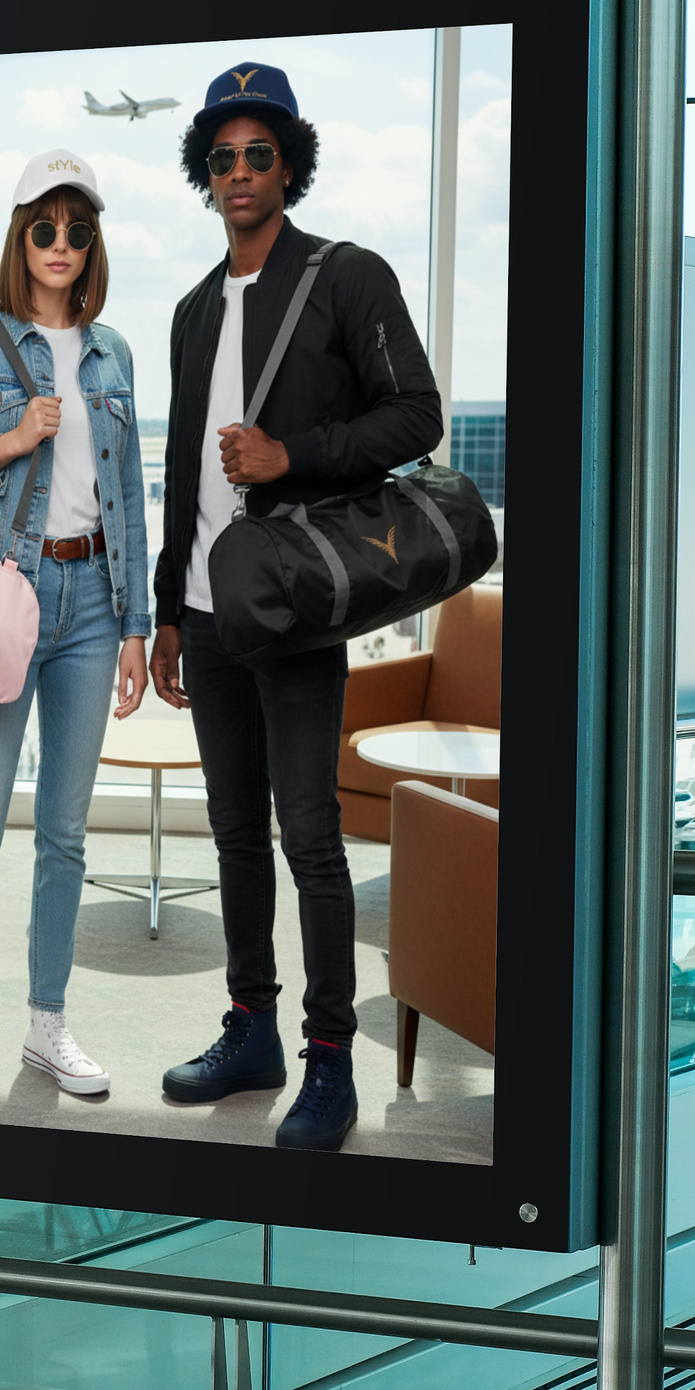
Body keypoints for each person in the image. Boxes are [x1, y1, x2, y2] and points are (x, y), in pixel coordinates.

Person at [150, 63, 443, 1152]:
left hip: (296, 603)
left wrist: (293, 455)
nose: (239, 172)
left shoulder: (344, 277)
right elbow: (183, 469)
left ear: (289, 165)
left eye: (258, 154)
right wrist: (166, 607)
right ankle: (251, 1031)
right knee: (234, 832)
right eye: (221, 156)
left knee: (309, 836)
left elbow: (417, 414)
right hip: (207, 610)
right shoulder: (192, 310)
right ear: (205, 171)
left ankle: (330, 1060)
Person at [0, 148, 151, 1121]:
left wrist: (136, 626)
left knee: (64, 836)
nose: (60, 244)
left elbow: (130, 497)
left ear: (91, 245)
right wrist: (6, 443)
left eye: (76, 230)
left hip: (93, 603)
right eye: (44, 228)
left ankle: (47, 1025)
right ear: (21, 237)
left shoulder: (113, 352)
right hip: (4, 599)